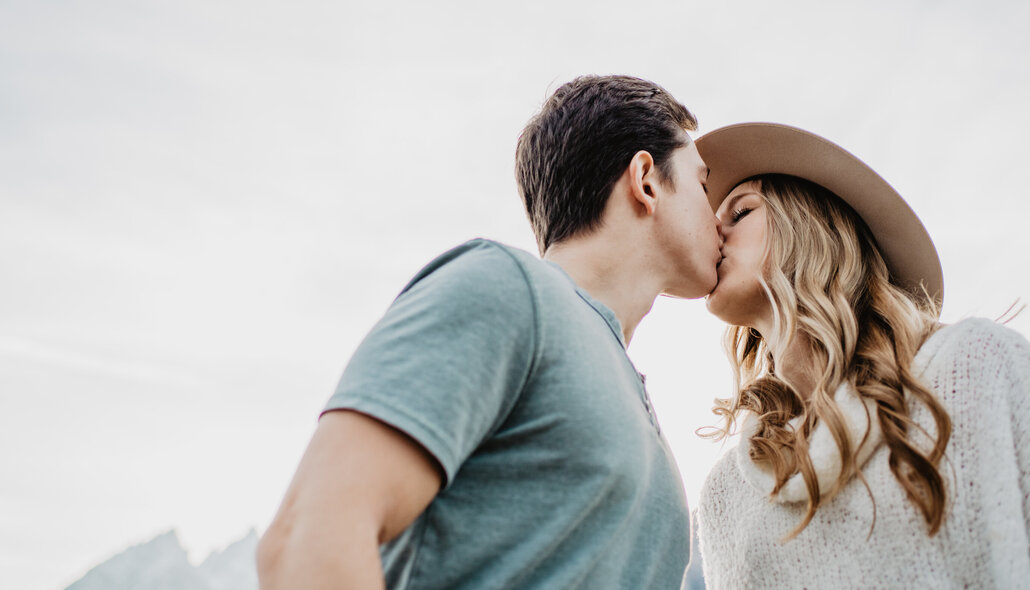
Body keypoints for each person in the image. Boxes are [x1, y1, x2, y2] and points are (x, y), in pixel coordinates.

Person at [256, 75, 723, 590]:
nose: (719, 217)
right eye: (703, 185)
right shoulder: (506, 288)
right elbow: (307, 538)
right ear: (646, 180)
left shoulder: (641, 406)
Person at [690, 122, 1030, 588]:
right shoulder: (726, 495)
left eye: (739, 213)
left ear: (808, 227)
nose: (712, 232)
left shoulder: (976, 368)